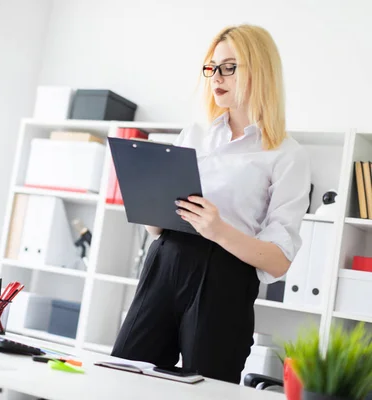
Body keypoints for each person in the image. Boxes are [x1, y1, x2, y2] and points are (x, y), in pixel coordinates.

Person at [111, 24, 311, 384]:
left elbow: (279, 261)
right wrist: (149, 201)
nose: (216, 76)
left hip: (225, 277)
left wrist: (218, 230)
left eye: (230, 67)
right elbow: (158, 227)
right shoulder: (196, 132)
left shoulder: (286, 155)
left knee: (208, 387)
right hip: (165, 259)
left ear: (260, 70)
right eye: (212, 67)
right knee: (125, 375)